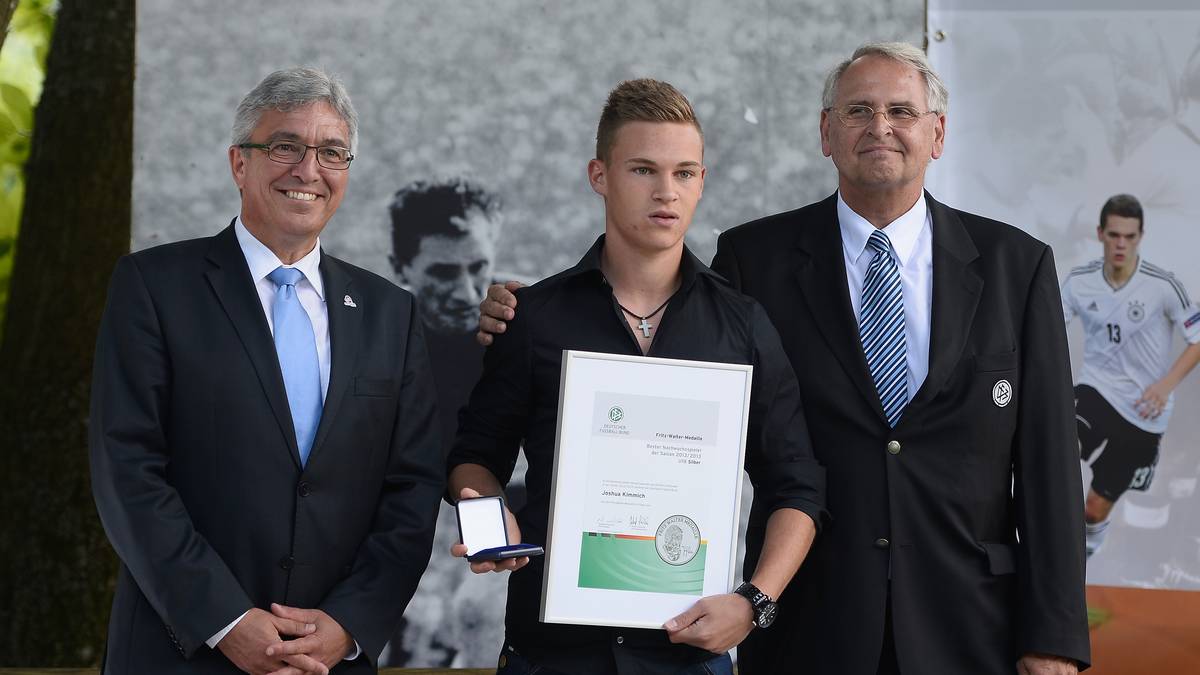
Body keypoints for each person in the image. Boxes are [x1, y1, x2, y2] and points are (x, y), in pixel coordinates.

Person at [478, 43, 1090, 675]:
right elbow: (653, 359)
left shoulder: (1017, 267)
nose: (880, 127)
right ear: (826, 133)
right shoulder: (753, 261)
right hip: (806, 624)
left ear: (937, 134)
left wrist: (1054, 641)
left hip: (972, 628)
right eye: (858, 110)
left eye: (902, 111)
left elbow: (1048, 466)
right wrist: (524, 313)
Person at [450, 78, 826, 675]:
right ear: (600, 176)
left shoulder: (743, 328)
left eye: (684, 173)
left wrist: (754, 603)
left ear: (701, 181)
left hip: (689, 657)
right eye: (643, 170)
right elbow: (473, 458)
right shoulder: (535, 319)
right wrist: (489, 522)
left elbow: (797, 487)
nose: (666, 191)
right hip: (553, 656)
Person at [89, 67, 444, 674]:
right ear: (239, 163)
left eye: (331, 152)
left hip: (327, 659)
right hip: (181, 651)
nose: (308, 170)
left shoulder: (391, 312)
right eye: (285, 147)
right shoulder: (154, 287)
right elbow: (127, 470)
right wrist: (225, 621)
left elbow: (412, 488)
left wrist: (347, 624)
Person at [1061, 193, 1200, 558]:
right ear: (1100, 234)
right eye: (1114, 235)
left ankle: (1085, 560)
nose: (1121, 244)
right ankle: (1044, 551)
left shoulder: (1163, 286)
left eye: (1129, 236)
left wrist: (1165, 386)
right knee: (1060, 453)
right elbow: (1047, 331)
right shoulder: (1079, 282)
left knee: (1094, 510)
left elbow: (1198, 339)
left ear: (1140, 237)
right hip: (1095, 392)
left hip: (1143, 413)